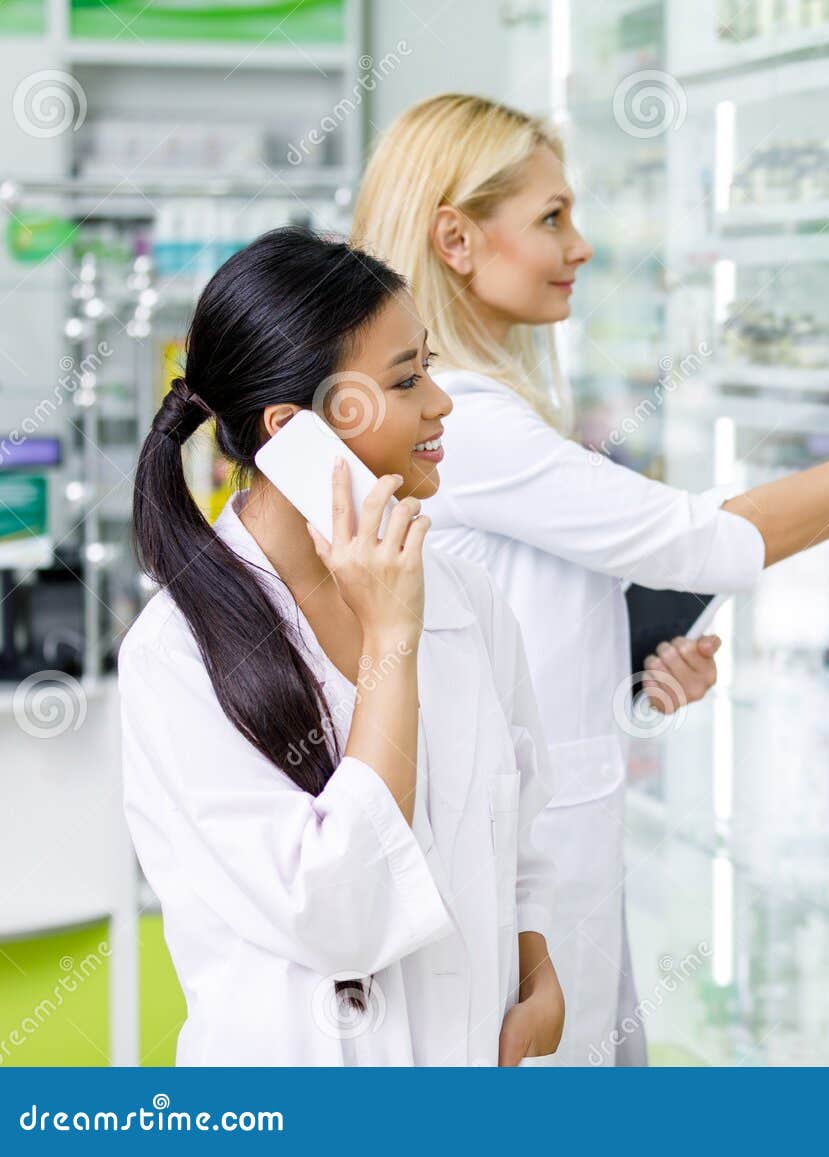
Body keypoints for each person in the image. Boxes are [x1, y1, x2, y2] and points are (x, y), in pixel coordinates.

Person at [352, 93, 829, 1065]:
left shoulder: (479, 412)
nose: (581, 246)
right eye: (552, 217)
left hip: (550, 866)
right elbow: (706, 538)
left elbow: (514, 635)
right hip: (511, 891)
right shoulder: (464, 422)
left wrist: (634, 680)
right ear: (456, 238)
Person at [120, 227, 564, 1066]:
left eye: (427, 365)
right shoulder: (174, 659)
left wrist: (538, 977)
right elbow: (344, 919)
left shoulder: (465, 601)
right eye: (406, 379)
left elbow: (524, 831)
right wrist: (390, 639)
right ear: (295, 433)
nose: (442, 403)